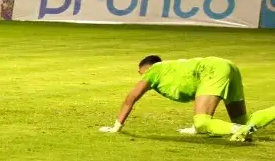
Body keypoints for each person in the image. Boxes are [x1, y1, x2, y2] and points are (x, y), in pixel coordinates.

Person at [98, 55, 275, 142]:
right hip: (227, 65)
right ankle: (244, 126)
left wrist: (116, 127)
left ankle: (241, 130)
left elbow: (131, 98)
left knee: (202, 122)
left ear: (144, 68)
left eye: (139, 73)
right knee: (244, 119)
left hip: (213, 69)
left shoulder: (153, 71)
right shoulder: (172, 68)